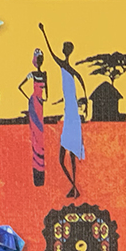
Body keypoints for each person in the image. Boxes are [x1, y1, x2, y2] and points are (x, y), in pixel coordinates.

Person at [39, 23, 87, 198]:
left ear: (65, 51)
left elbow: (51, 52)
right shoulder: (71, 69)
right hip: (71, 112)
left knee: (63, 157)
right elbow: (81, 83)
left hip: (71, 114)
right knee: (68, 155)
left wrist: (44, 32)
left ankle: (74, 188)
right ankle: (74, 187)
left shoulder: (65, 67)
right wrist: (86, 104)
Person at [18, 49, 48, 187]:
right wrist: (30, 98)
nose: (40, 61)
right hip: (34, 103)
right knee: (35, 136)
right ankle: (37, 173)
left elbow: (46, 93)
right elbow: (20, 86)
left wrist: (43, 99)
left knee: (40, 136)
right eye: (38, 59)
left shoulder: (44, 74)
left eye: (41, 59)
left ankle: (40, 172)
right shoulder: (33, 74)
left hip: (40, 105)